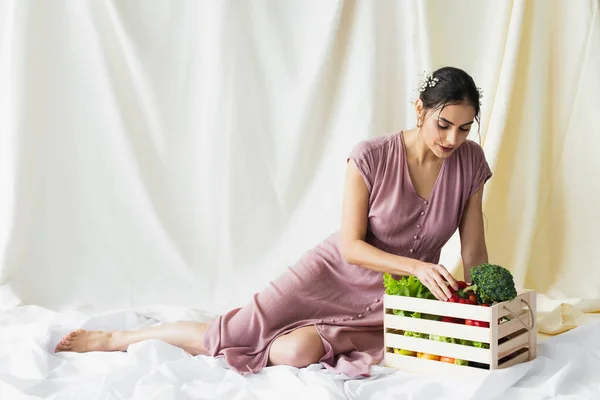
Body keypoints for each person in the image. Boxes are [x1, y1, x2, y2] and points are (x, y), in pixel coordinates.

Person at [55, 66, 492, 378]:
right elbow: (351, 246)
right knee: (233, 334)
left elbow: (472, 250)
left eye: (465, 129)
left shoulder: (469, 163)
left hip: (391, 303)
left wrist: (479, 309)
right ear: (420, 110)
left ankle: (314, 333)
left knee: (293, 353)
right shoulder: (371, 156)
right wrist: (416, 266)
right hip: (330, 274)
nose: (453, 139)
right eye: (444, 124)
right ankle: (115, 340)